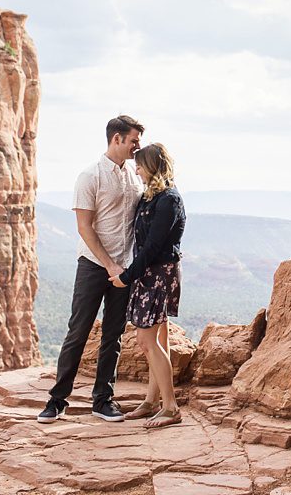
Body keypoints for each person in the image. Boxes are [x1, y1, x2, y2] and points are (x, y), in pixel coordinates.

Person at [38, 115, 145, 423]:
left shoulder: (135, 176)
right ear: (117, 139)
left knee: (114, 334)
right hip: (94, 265)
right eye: (134, 140)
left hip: (125, 268)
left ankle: (103, 400)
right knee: (79, 330)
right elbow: (84, 228)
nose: (138, 146)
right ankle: (57, 400)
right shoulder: (90, 176)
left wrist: (128, 267)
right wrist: (110, 264)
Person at [110, 142, 186, 429]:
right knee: (157, 340)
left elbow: (153, 246)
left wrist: (126, 277)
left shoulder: (169, 200)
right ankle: (151, 401)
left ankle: (171, 407)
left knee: (146, 340)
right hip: (148, 274)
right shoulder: (150, 197)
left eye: (140, 165)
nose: (137, 169)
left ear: (152, 166)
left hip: (159, 274)